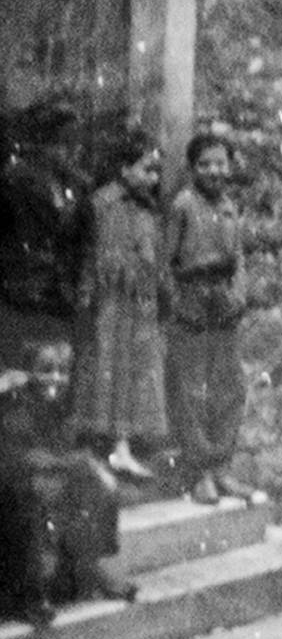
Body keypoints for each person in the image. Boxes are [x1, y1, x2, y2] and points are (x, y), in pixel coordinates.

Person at [0, 340, 137, 625]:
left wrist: (85, 465)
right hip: (16, 480)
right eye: (46, 370)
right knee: (37, 497)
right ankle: (31, 592)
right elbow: (22, 457)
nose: (56, 378)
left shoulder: (59, 407)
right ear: (27, 373)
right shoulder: (16, 407)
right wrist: (73, 463)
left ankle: (92, 565)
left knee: (100, 487)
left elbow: (66, 446)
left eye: (62, 371)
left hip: (48, 471)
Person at [164, 133, 262, 505]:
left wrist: (238, 297)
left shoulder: (230, 208)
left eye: (220, 163)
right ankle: (199, 472)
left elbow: (239, 260)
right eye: (205, 164)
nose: (214, 171)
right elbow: (166, 263)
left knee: (229, 387)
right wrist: (178, 304)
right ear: (193, 169)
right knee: (191, 390)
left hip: (222, 306)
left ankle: (221, 467)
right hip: (191, 303)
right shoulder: (183, 206)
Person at [70, 128, 167, 479]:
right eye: (146, 169)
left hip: (138, 303)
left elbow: (152, 256)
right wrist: (89, 293)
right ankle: (95, 448)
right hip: (109, 301)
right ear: (124, 169)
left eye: (157, 172)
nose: (153, 178)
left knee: (134, 371)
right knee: (104, 368)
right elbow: (92, 254)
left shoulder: (149, 210)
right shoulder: (103, 204)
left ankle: (122, 446)